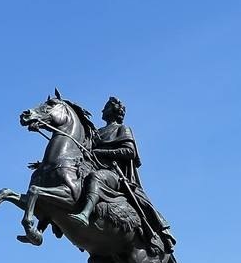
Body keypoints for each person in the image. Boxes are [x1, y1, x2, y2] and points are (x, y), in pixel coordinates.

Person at [70, 96, 175, 251]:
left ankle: (85, 213)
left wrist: (101, 152)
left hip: (114, 174)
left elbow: (129, 151)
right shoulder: (96, 133)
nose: (102, 110)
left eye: (105, 107)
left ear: (113, 111)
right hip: (94, 167)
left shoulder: (122, 129)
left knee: (96, 178)